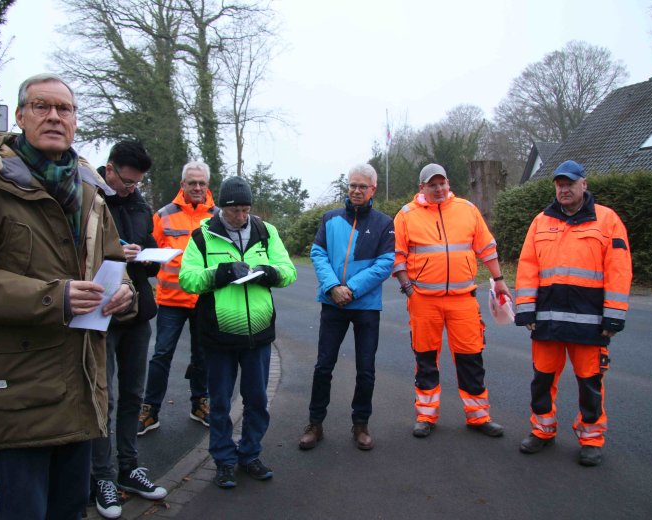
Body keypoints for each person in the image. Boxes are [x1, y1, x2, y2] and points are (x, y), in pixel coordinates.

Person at [0, 73, 136, 520]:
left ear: (76, 121)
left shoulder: (90, 194)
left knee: (69, 511)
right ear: (21, 115)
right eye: (42, 106)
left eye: (65, 109)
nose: (54, 116)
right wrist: (52, 298)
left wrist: (124, 293)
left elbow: (115, 263)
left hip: (82, 386)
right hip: (23, 390)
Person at [179, 176, 297, 489]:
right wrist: (222, 272)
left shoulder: (265, 232)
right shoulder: (202, 237)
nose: (242, 217)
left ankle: (250, 455)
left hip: (258, 334)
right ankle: (224, 461)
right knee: (219, 402)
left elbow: (289, 271)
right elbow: (187, 279)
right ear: (222, 208)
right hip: (219, 335)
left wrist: (269, 273)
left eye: (246, 210)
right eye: (235, 211)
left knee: (257, 400)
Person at [514, 160, 632, 467]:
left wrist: (614, 316)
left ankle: (591, 438)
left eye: (570, 184)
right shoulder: (540, 221)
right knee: (542, 380)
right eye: (560, 185)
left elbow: (619, 270)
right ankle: (542, 431)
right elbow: (527, 268)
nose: (564, 189)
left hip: (590, 323)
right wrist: (526, 312)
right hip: (548, 320)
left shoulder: (607, 221)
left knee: (590, 382)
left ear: (584, 185)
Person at [393, 163, 509, 439]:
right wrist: (408, 288)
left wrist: (500, 279)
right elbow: (397, 256)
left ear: (448, 182)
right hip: (424, 300)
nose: (439, 189)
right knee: (426, 358)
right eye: (432, 185)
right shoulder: (406, 215)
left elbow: (486, 247)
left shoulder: (467, 210)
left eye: (442, 183)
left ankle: (479, 417)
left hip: (463, 299)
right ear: (422, 188)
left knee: (471, 357)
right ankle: (426, 416)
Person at [91, 141, 167, 519]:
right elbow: (77, 254)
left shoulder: (139, 204)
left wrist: (152, 258)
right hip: (102, 313)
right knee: (102, 397)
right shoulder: (89, 202)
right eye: (126, 181)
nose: (131, 188)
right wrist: (115, 254)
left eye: (137, 182)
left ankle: (129, 467)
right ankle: (102, 476)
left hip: (138, 312)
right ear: (109, 170)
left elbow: (149, 249)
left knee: (134, 393)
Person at [298, 164, 394, 451]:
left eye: (362, 186)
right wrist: (332, 287)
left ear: (373, 189)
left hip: (365, 305)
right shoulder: (329, 219)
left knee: (366, 369)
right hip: (332, 303)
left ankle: (361, 424)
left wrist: (351, 289)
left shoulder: (383, 223)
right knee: (323, 366)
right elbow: (318, 253)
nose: (356, 190)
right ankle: (315, 423)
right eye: (352, 185)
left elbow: (386, 263)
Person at [137, 161, 216, 436]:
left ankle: (200, 404)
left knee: (203, 356)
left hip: (205, 298)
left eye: (201, 183)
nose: (196, 187)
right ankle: (150, 410)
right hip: (171, 299)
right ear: (182, 185)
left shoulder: (218, 217)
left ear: (207, 185)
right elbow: (149, 249)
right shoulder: (164, 215)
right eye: (191, 182)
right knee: (161, 355)